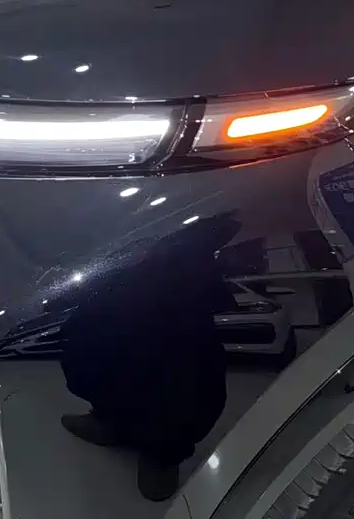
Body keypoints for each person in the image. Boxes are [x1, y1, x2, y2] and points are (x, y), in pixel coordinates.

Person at [58, 214, 239, 501]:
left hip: (178, 269)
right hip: (120, 248)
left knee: (181, 367)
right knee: (94, 342)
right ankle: (110, 420)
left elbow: (227, 222)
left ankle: (162, 453)